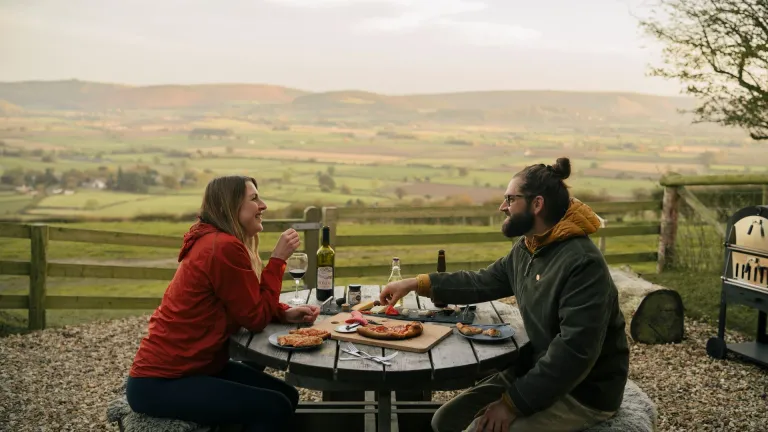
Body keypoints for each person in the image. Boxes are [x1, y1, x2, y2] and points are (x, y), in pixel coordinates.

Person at [380, 158, 629, 432]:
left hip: (583, 392)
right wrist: (415, 283)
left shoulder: (582, 263)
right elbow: (482, 281)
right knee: (445, 420)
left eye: (510, 199)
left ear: (537, 204)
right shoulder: (529, 248)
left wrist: (512, 405)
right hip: (535, 370)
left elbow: (574, 352)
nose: (502, 207)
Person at [126, 175, 319, 432]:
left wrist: (283, 313)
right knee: (274, 407)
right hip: (162, 381)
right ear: (231, 206)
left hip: (199, 368)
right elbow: (255, 319)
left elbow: (242, 303)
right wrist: (278, 260)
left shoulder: (219, 241)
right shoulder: (222, 247)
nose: (263, 205)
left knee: (287, 395)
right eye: (254, 199)